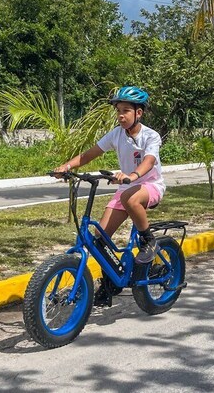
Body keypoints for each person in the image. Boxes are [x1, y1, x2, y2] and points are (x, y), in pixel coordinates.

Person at [54, 86, 165, 307]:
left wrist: (131, 176)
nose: (121, 115)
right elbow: (89, 154)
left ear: (138, 113)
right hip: (126, 187)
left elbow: (149, 161)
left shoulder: (150, 136)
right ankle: (108, 286)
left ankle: (148, 241)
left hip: (150, 185)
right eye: (118, 111)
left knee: (130, 199)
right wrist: (66, 166)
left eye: (126, 110)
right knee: (99, 238)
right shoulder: (116, 134)